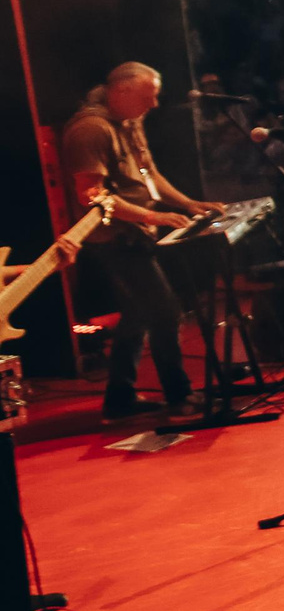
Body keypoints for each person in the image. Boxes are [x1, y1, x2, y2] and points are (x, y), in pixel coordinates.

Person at [59, 62, 221, 419]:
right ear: (122, 91)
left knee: (138, 315)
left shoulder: (129, 122)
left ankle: (120, 399)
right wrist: (152, 216)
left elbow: (149, 176)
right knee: (165, 311)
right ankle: (179, 396)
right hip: (114, 239)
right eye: (148, 97)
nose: (154, 105)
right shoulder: (90, 130)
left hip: (135, 234)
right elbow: (91, 196)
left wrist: (188, 204)